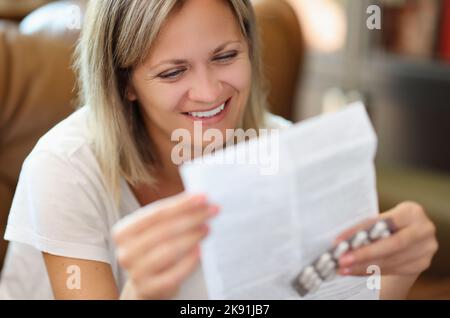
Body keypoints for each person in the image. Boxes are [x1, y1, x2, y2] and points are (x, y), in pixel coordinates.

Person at [0, 0, 437, 300]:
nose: (209, 92)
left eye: (226, 56)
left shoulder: (278, 148)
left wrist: (400, 266)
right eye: (173, 72)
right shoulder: (66, 168)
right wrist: (143, 292)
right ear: (126, 83)